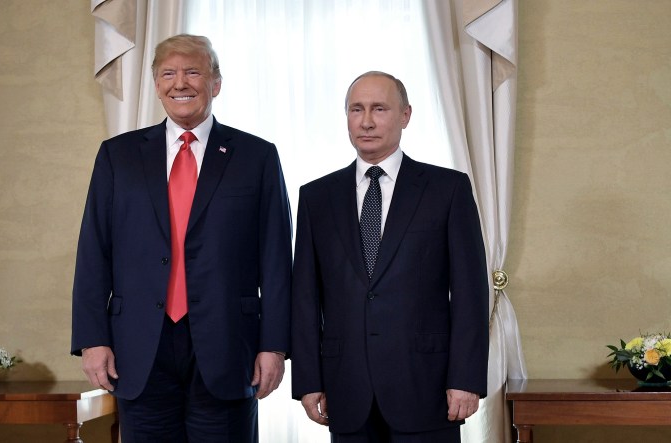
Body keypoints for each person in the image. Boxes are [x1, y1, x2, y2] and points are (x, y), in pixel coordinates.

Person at [71, 34, 292, 443]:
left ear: (216, 83)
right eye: (169, 73)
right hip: (139, 347)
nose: (180, 83)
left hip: (229, 346)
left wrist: (274, 346)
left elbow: (277, 260)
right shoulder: (117, 156)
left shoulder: (257, 157)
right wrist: (92, 340)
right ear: (157, 85)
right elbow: (93, 253)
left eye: (193, 72)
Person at [291, 71, 489, 442]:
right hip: (345, 389)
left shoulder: (447, 190)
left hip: (427, 387)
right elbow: (304, 297)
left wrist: (466, 378)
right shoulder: (316, 197)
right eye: (356, 109)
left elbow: (470, 293)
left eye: (379, 109)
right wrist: (308, 380)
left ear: (405, 115)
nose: (366, 121)